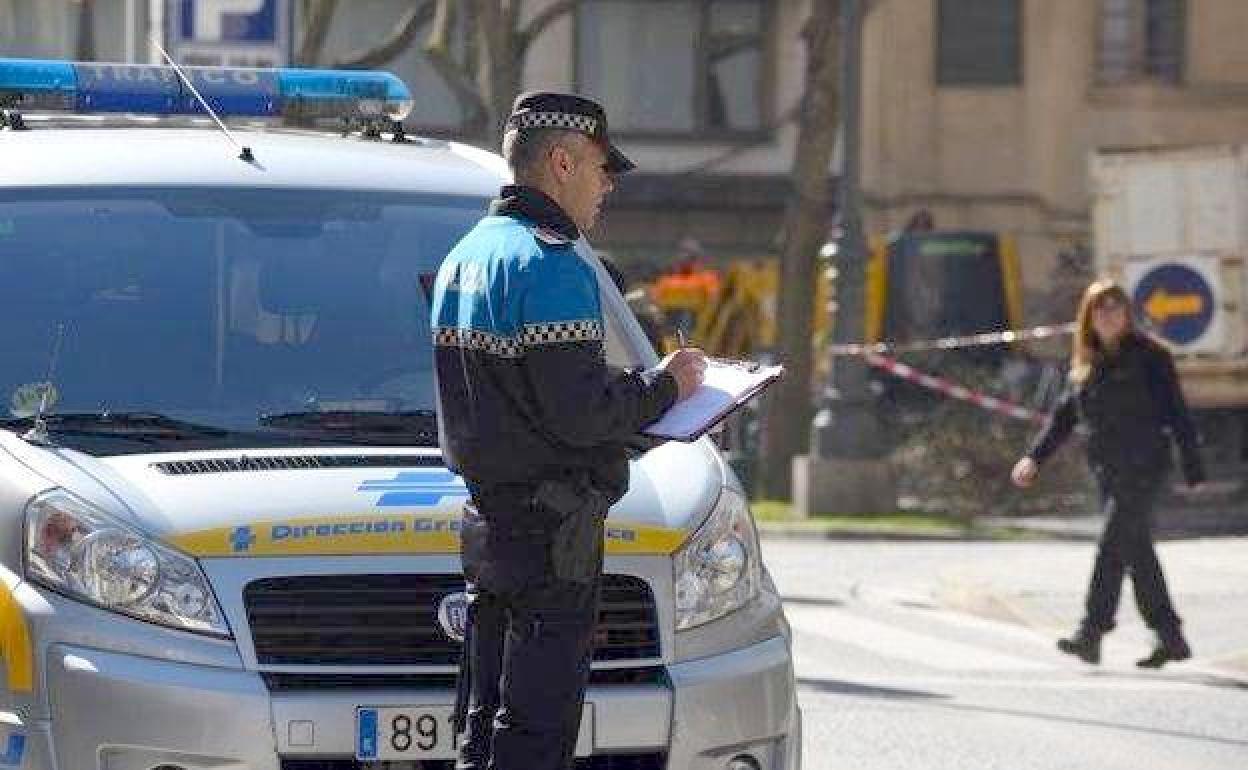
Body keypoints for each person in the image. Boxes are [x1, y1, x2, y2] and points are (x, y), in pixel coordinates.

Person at [429, 91, 706, 770]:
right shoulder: (550, 263)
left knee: (482, 726)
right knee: (536, 732)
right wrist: (670, 385)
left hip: (489, 524)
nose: (606, 185)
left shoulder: (466, 254)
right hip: (554, 536)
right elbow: (581, 412)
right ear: (561, 162)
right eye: (600, 169)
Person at [1010, 279, 1204, 669]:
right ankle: (1170, 636)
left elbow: (1177, 412)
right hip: (1107, 470)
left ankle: (1092, 630)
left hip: (1145, 466)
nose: (1108, 314)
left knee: (1111, 547)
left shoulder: (1151, 357)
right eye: (1100, 308)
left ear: (1128, 314)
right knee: (1136, 551)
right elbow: (1063, 418)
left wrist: (1193, 467)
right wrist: (1033, 458)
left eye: (1116, 307)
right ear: (1089, 317)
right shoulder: (1086, 364)